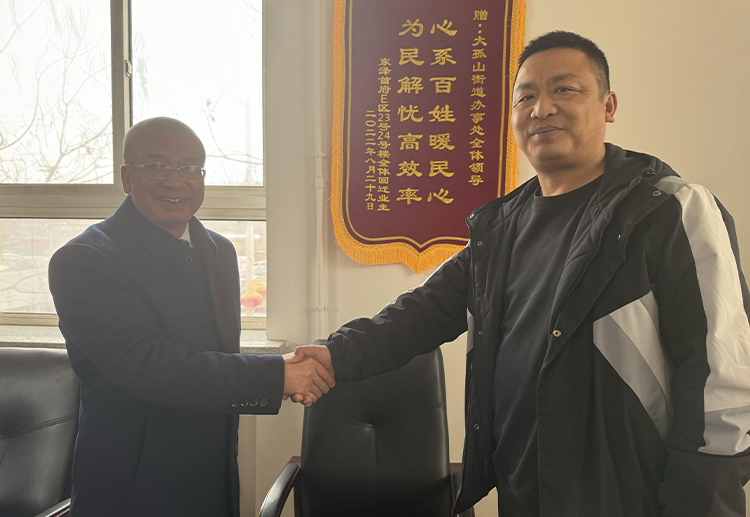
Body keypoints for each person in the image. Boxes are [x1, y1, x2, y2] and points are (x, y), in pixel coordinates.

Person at [290, 31, 750, 516]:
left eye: (564, 89)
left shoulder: (670, 209)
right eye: (525, 97)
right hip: (523, 494)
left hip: (627, 499)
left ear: (608, 105)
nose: (541, 108)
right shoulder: (501, 229)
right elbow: (418, 315)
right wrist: (332, 356)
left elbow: (724, 379)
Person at [48, 117, 334, 517]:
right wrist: (278, 376)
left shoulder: (219, 251)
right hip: (131, 489)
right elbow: (149, 366)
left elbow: (216, 357)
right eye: (157, 166)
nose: (175, 180)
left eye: (190, 168)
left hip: (213, 479)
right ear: (127, 177)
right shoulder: (85, 260)